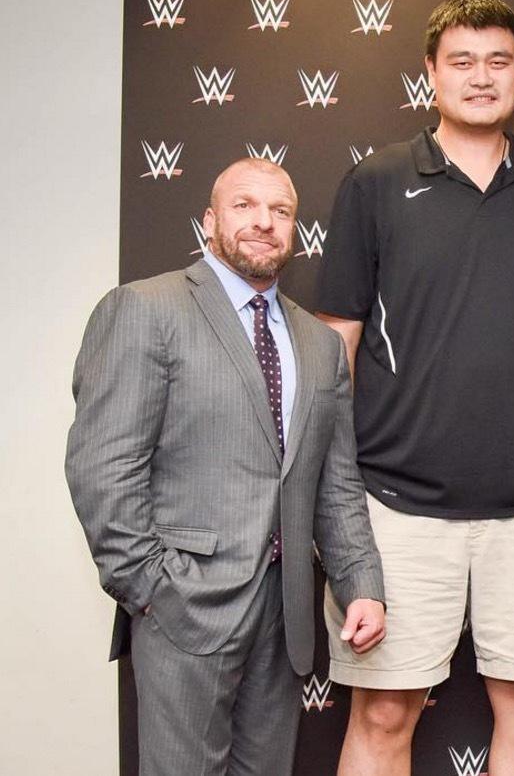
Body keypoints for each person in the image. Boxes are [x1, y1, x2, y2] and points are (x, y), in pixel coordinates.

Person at [314, 0, 514, 776]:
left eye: (499, 62)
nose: (482, 77)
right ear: (430, 74)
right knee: (382, 709)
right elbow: (335, 346)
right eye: (462, 62)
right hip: (395, 505)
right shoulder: (374, 184)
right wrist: (338, 487)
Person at [65, 157, 387, 775]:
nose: (263, 222)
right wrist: (151, 588)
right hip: (182, 606)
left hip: (284, 613)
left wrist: (361, 585)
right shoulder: (144, 309)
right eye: (244, 206)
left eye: (281, 211)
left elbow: (336, 483)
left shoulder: (319, 346)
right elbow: (103, 467)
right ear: (210, 220)